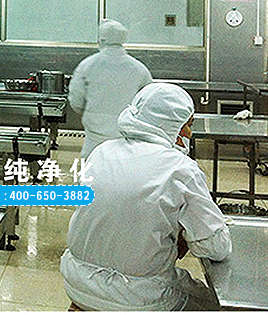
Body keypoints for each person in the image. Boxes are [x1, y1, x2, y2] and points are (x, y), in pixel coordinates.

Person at [60, 82, 232, 311]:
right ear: (170, 124)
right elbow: (216, 247)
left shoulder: (101, 152)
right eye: (187, 125)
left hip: (77, 283)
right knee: (216, 304)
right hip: (139, 297)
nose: (189, 133)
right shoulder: (180, 169)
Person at [68, 19, 153, 158]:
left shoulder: (88, 65)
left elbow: (76, 101)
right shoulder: (139, 69)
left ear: (101, 39)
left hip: (94, 138)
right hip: (127, 138)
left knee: (92, 169)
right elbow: (149, 102)